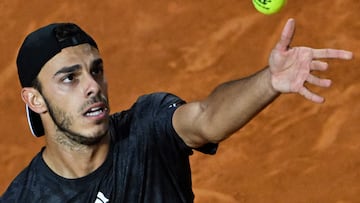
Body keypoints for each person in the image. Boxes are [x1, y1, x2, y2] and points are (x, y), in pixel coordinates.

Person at [1, 18, 352, 202]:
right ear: (35, 99)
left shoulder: (147, 128)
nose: (93, 86)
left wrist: (269, 81)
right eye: (69, 79)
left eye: (96, 70)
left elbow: (205, 119)